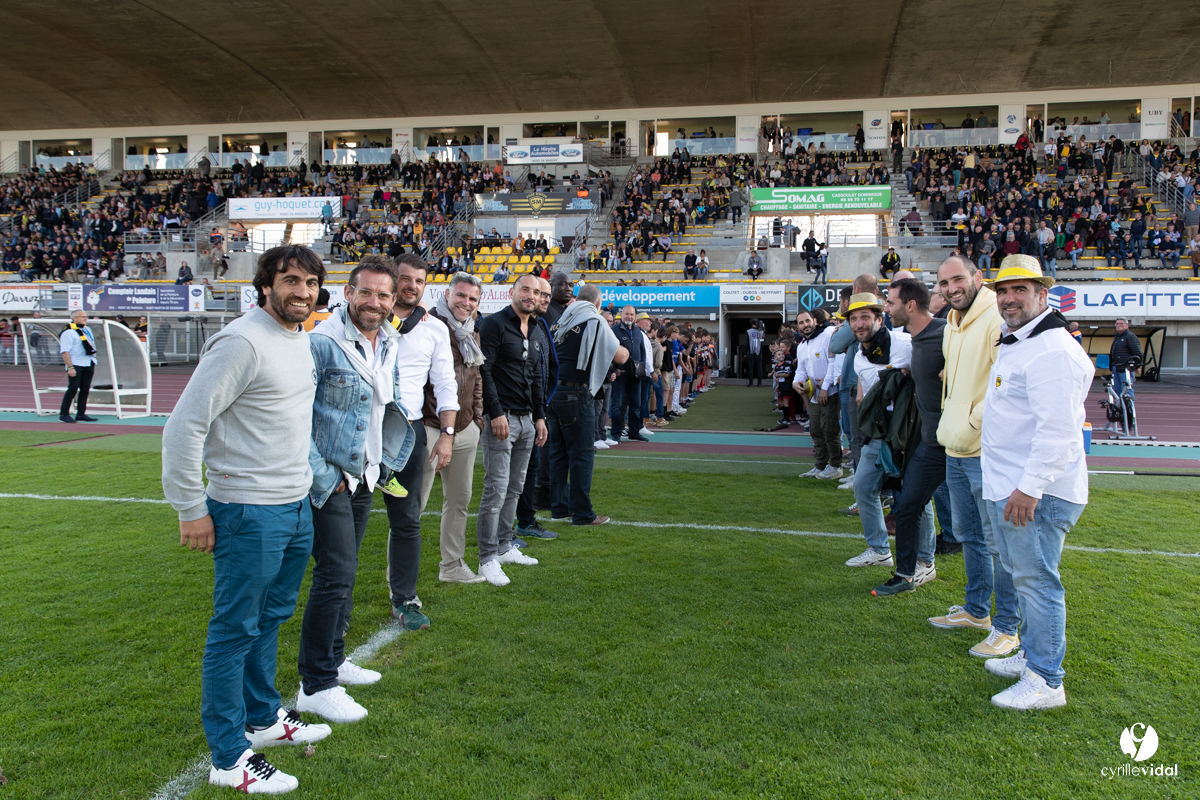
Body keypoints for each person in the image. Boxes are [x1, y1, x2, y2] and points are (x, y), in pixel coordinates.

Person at [161, 245, 331, 794]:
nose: (302, 291)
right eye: (290, 280)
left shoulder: (299, 337)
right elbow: (184, 426)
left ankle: (262, 719)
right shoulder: (241, 341)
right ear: (265, 285)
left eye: (310, 282)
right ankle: (229, 758)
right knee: (234, 630)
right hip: (247, 509)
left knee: (272, 616)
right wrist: (190, 506)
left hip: (294, 504)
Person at [298, 256, 416, 724]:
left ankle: (334, 657)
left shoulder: (388, 341)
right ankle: (315, 684)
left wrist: (383, 462)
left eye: (384, 295)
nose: (375, 302)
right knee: (334, 575)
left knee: (342, 575)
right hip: (332, 479)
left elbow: (385, 404)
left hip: (365, 474)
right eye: (365, 292)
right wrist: (324, 479)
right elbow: (298, 418)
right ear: (348, 293)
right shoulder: (322, 342)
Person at [980, 256, 1094, 709]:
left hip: (1034, 493)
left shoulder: (1053, 350)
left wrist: (1030, 488)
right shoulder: (1020, 339)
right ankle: (1031, 654)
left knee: (1037, 582)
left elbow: (1059, 432)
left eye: (1020, 290)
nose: (1009, 299)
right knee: (1022, 576)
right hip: (1012, 486)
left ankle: (1046, 680)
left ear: (1042, 295)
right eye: (1003, 291)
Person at [930, 255, 1021, 660]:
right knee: (969, 536)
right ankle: (977, 611)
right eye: (944, 283)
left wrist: (971, 420)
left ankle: (1007, 628)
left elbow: (1006, 381)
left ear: (978, 277)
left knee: (1000, 544)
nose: (951, 288)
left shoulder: (995, 318)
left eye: (958, 279)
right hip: (955, 445)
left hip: (986, 450)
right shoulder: (952, 321)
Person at [382, 254, 461, 629]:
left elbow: (446, 384)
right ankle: (337, 604)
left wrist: (446, 435)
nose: (411, 286)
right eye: (404, 278)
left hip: (408, 432)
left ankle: (405, 598)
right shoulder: (367, 317)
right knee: (349, 521)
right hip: (363, 429)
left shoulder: (434, 329)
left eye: (419, 281)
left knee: (407, 519)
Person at [870, 278, 944, 597]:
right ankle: (905, 575)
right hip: (931, 442)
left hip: (961, 444)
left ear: (910, 305)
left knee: (976, 528)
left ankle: (983, 609)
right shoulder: (914, 339)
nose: (886, 308)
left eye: (891, 302)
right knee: (909, 503)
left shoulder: (946, 334)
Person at [476, 274, 548, 586]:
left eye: (536, 292)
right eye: (525, 289)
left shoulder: (536, 328)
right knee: (496, 488)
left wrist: (540, 416)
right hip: (501, 418)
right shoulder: (494, 324)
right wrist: (494, 412)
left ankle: (505, 546)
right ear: (512, 292)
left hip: (527, 420)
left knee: (515, 488)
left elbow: (535, 376)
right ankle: (487, 557)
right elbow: (485, 370)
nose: (531, 296)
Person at [420, 271, 488, 584]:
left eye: (472, 298)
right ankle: (400, 580)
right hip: (429, 426)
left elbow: (476, 378)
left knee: (460, 500)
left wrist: (477, 419)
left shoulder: (472, 331)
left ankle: (452, 566)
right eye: (460, 295)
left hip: (464, 428)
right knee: (413, 506)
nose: (466, 302)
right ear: (447, 294)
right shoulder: (426, 325)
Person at [548, 283, 628, 525]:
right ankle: (583, 513)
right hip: (577, 391)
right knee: (582, 454)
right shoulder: (594, 319)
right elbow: (620, 356)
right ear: (598, 304)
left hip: (554, 392)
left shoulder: (560, 320)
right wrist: (624, 349)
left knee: (558, 453)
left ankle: (559, 508)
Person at [844, 293, 912, 568]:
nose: (859, 323)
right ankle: (879, 550)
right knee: (863, 486)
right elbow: (865, 385)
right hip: (879, 432)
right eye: (854, 319)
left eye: (865, 317)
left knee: (914, 497)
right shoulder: (859, 355)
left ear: (880, 320)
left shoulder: (905, 344)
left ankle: (924, 560)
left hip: (908, 432)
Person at [515, 276, 560, 540]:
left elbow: (546, 368)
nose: (544, 299)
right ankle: (505, 530)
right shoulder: (512, 324)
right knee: (511, 474)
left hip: (536, 408)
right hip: (515, 410)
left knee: (530, 468)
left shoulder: (540, 324)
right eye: (540, 294)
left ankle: (525, 521)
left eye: (546, 295)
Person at [793, 309, 843, 480]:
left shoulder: (827, 336)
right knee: (815, 431)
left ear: (814, 321)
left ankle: (835, 466)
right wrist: (795, 383)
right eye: (801, 322)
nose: (805, 325)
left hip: (830, 392)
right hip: (814, 395)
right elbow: (801, 370)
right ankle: (820, 465)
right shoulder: (801, 346)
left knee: (830, 431)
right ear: (798, 326)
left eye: (807, 321)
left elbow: (833, 363)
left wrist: (825, 388)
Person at [608, 305, 650, 443]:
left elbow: (642, 351)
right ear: (621, 315)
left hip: (635, 375)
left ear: (635, 316)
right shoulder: (614, 330)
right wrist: (615, 369)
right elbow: (609, 351)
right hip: (620, 374)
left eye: (632, 314)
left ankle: (634, 432)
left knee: (636, 405)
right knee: (617, 405)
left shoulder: (638, 331)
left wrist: (641, 366)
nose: (629, 317)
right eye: (627, 314)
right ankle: (616, 433)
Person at [58, 309, 98, 424]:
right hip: (76, 363)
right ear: (74, 318)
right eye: (82, 317)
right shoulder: (69, 332)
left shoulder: (87, 329)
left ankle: (81, 413)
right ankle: (64, 414)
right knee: (73, 388)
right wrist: (70, 367)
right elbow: (65, 351)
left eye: (86, 316)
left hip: (88, 362)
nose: (85, 318)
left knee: (85, 389)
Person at [1109, 317, 1142, 399]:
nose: (1118, 325)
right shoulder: (1118, 337)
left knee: (1127, 389)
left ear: (1126, 325)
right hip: (1116, 367)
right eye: (1117, 324)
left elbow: (1137, 353)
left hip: (1126, 368)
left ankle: (1128, 406)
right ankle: (1119, 405)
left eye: (1120, 323)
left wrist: (1137, 366)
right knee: (1116, 390)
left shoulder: (1130, 337)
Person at [746, 319, 764, 387]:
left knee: (751, 367)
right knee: (759, 367)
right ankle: (759, 383)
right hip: (759, 350)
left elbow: (746, 342)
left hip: (751, 351)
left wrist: (746, 352)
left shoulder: (748, 331)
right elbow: (762, 341)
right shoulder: (761, 331)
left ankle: (751, 383)